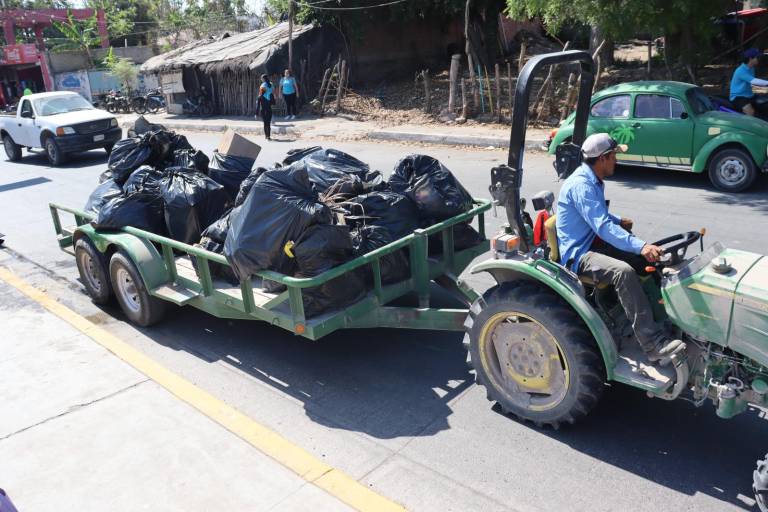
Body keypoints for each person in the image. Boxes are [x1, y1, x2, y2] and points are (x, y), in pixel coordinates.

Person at [556, 133, 683, 362]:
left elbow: (598, 214)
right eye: (614, 156)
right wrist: (641, 245)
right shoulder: (581, 185)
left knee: (647, 260)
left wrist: (618, 221)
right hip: (580, 253)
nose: (617, 160)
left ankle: (666, 317)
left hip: (594, 242)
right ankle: (652, 344)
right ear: (603, 158)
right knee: (622, 271)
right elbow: (601, 226)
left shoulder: (591, 179)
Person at [729, 47, 768, 116]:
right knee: (750, 112)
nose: (758, 59)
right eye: (757, 57)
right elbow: (753, 81)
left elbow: (752, 83)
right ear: (750, 59)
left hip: (749, 92)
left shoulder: (751, 68)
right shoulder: (740, 71)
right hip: (739, 96)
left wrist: (763, 89)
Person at [256, 74, 274, 140]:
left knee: (265, 123)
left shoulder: (263, 86)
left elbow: (260, 95)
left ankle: (266, 136)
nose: (261, 79)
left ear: (263, 79)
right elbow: (272, 92)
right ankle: (268, 136)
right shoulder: (271, 84)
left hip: (263, 107)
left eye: (261, 78)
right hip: (269, 106)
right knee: (268, 123)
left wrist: (256, 113)